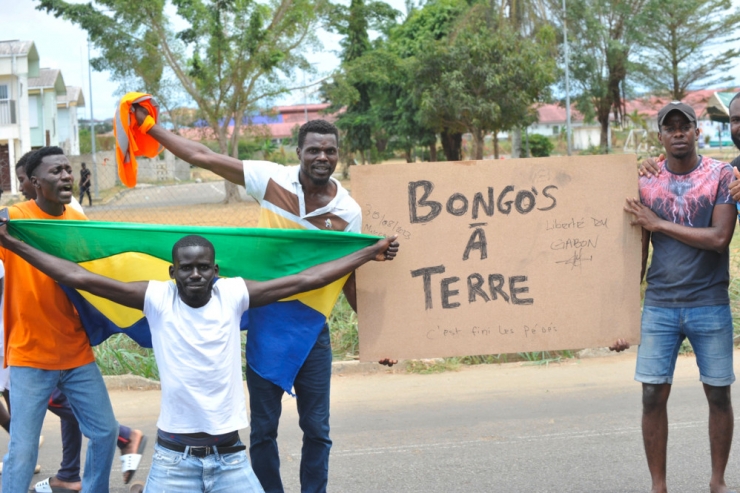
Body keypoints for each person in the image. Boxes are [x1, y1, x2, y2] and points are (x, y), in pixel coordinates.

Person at [0, 218, 399, 491]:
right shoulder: (157, 298)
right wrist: (11, 243)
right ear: (171, 272)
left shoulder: (233, 294)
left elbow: (306, 278)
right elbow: (78, 276)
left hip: (231, 461)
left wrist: (369, 253)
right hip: (174, 461)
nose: (195, 275)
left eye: (203, 267)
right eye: (186, 268)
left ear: (216, 271)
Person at [133, 106, 396, 493]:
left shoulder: (347, 211)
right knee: (262, 430)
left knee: (318, 430)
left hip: (311, 328)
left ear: (339, 155)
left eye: (330, 151)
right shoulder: (272, 178)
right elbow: (201, 156)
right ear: (298, 153)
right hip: (266, 320)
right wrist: (151, 128)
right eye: (313, 150)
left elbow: (346, 277)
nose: (322, 157)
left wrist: (377, 340)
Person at [614, 101, 737, 493]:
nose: (679, 132)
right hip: (661, 305)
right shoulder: (645, 181)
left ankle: (717, 481)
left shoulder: (722, 175)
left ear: (698, 132)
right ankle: (659, 485)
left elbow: (719, 239)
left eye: (686, 126)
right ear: (661, 136)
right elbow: (636, 253)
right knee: (652, 395)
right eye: (671, 127)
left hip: (710, 302)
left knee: (718, 393)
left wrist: (659, 222)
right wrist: (618, 316)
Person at [14, 150, 148, 491]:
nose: (65, 176)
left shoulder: (76, 220)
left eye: (68, 169)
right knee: (23, 450)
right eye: (55, 171)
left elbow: (99, 271)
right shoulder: (15, 220)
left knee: (104, 432)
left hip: (75, 351)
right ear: (34, 183)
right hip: (30, 356)